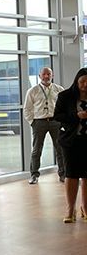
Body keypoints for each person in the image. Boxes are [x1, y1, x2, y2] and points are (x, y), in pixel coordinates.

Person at [52, 68, 87, 223]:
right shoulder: (65, 96)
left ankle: (85, 208)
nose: (85, 85)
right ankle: (70, 209)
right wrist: (76, 116)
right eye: (82, 82)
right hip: (70, 141)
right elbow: (57, 116)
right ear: (76, 81)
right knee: (71, 174)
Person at [23, 67, 64, 184]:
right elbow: (27, 109)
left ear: (52, 75)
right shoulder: (33, 91)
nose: (46, 76)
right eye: (44, 74)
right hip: (39, 122)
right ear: (40, 76)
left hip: (55, 122)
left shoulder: (59, 90)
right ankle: (34, 175)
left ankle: (63, 174)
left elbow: (64, 107)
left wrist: (61, 121)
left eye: (49, 74)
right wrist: (33, 122)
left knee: (60, 149)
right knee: (36, 150)